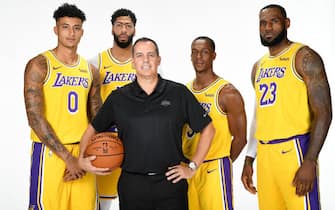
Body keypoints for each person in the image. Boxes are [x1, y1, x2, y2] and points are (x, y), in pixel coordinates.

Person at [79, 37, 215, 210]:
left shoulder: (178, 93)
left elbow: (208, 129)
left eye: (151, 55)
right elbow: (92, 129)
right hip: (132, 185)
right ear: (133, 62)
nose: (145, 60)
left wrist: (193, 166)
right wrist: (82, 159)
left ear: (158, 60)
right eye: (140, 55)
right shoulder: (118, 98)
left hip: (171, 183)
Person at [241, 4, 332, 210]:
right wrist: (249, 158)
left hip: (295, 151)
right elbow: (259, 116)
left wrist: (310, 160)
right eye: (263, 23)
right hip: (265, 155)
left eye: (274, 21)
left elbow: (324, 112)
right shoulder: (258, 66)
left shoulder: (304, 57)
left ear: (286, 23)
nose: (267, 28)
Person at [24, 3, 101, 210]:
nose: (71, 33)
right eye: (65, 27)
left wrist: (85, 157)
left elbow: (98, 118)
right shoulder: (40, 65)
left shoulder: (90, 70)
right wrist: (68, 159)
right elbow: (34, 117)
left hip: (83, 152)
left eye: (76, 28)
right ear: (56, 30)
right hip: (50, 153)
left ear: (82, 32)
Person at [182, 36, 247, 210]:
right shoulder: (184, 91)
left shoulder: (227, 93)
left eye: (204, 52)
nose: (199, 57)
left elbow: (241, 139)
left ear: (213, 56)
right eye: (194, 53)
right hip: (187, 167)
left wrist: (222, 163)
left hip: (214, 167)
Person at [89, 8, 137, 210]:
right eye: (119, 25)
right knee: (104, 203)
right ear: (112, 29)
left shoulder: (144, 62)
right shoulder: (96, 62)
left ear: (134, 29)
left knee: (136, 199)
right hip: (107, 141)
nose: (123, 30)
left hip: (136, 142)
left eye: (128, 25)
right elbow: (88, 104)